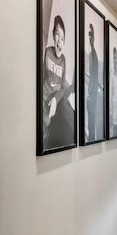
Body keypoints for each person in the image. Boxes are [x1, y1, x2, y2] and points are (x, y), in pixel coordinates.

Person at [42, 15, 74, 150]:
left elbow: (62, 86)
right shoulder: (47, 53)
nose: (59, 41)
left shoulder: (64, 60)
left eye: (63, 38)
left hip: (55, 105)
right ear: (53, 36)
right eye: (57, 35)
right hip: (44, 103)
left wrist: (56, 99)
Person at [86, 23, 103, 141]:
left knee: (92, 129)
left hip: (92, 97)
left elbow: (95, 71)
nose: (90, 36)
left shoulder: (94, 55)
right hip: (87, 96)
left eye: (91, 34)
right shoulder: (84, 55)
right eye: (88, 34)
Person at [109, 46, 117, 137]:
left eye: (116, 58)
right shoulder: (111, 73)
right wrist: (110, 108)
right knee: (113, 129)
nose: (115, 60)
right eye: (114, 58)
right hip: (112, 107)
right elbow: (110, 93)